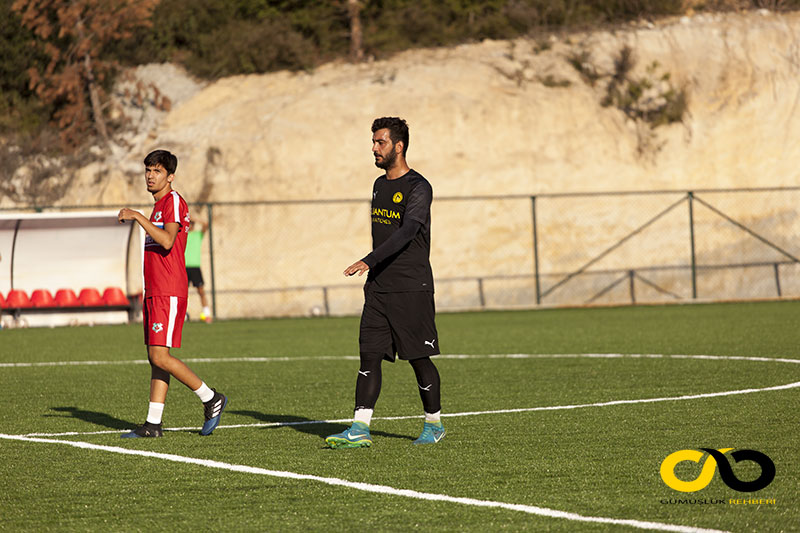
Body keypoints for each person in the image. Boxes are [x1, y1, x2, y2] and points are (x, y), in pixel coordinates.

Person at [326, 117, 444, 448]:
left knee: (418, 358)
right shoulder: (379, 185)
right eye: (374, 142)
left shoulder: (419, 187)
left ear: (398, 146)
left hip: (411, 286)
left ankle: (433, 424)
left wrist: (369, 259)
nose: (374, 148)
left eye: (380, 142)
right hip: (378, 288)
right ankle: (360, 427)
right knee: (369, 355)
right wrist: (374, 269)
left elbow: (408, 232)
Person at [117, 149, 227, 438]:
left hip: (169, 290)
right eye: (148, 170)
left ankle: (210, 398)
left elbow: (167, 240)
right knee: (157, 357)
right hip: (155, 290)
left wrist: (138, 217)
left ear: (170, 176)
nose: (151, 176)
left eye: (157, 171)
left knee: (160, 356)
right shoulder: (159, 206)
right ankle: (153, 424)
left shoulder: (173, 201)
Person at [185, 219, 212, 323]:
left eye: (192, 224)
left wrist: (193, 218)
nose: (191, 225)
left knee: (201, 291)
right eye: (189, 224)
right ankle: (182, 316)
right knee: (182, 293)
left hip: (195, 267)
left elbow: (206, 224)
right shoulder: (183, 235)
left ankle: (207, 314)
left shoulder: (198, 235)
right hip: (184, 267)